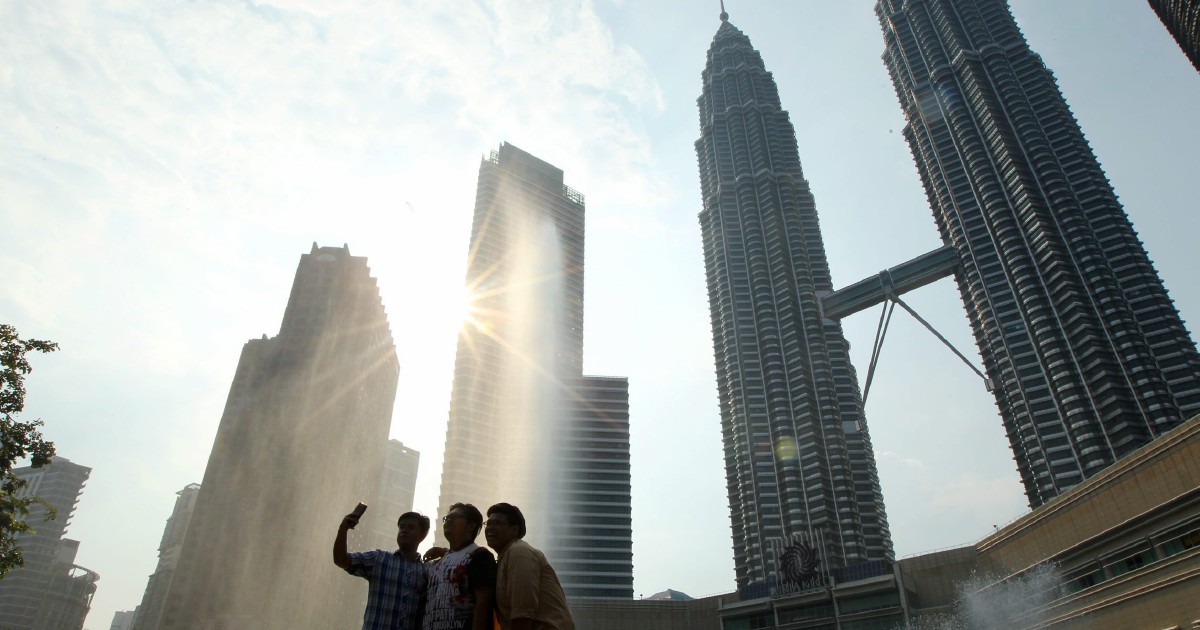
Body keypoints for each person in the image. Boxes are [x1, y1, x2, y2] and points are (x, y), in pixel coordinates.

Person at [334, 507, 431, 630]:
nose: (404, 530)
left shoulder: (427, 571)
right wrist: (343, 529)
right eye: (401, 527)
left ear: (422, 535)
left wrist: (443, 552)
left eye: (411, 527)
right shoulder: (379, 559)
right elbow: (340, 560)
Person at [484, 503, 575, 630]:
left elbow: (523, 615)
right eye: (488, 523)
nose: (490, 528)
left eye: (497, 523)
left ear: (514, 530)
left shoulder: (519, 553)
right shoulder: (505, 557)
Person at [423, 503, 496, 630]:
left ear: (471, 526)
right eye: (446, 518)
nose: (447, 521)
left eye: (454, 517)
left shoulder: (480, 556)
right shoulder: (436, 563)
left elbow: (483, 602)